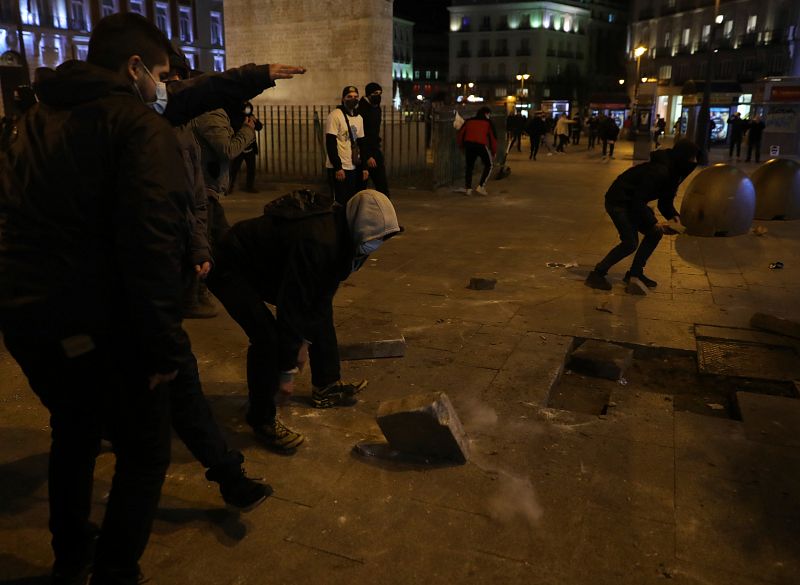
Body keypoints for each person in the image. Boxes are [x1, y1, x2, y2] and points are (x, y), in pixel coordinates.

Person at [0, 13, 191, 584]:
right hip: (101, 323)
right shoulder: (137, 127)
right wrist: (161, 351)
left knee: (75, 430)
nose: (164, 85)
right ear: (135, 68)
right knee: (145, 449)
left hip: (28, 318)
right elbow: (154, 247)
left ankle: (71, 555)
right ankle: (113, 570)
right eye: (160, 73)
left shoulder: (31, 121)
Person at [206, 189, 401, 452]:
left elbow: (320, 295)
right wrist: (287, 371)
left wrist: (305, 341)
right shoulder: (320, 241)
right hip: (231, 266)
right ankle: (262, 420)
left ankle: (325, 383)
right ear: (360, 224)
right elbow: (292, 306)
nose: (375, 245)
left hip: (269, 268)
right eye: (374, 237)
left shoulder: (347, 234)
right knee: (267, 338)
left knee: (320, 312)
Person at [585, 139, 699, 293]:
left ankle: (635, 273)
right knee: (630, 243)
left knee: (654, 234)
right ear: (683, 157)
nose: (695, 161)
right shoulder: (660, 171)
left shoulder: (674, 172)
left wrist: (674, 217)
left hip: (632, 201)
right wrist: (653, 222)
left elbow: (664, 202)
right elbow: (638, 200)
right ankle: (597, 274)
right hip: (618, 200)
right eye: (692, 158)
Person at [325, 86, 370, 205]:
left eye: (356, 97)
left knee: (353, 201)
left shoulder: (359, 118)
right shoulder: (335, 115)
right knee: (340, 201)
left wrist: (364, 167)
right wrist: (338, 167)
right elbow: (330, 143)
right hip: (339, 167)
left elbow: (362, 143)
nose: (353, 99)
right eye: (349, 97)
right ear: (343, 99)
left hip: (353, 166)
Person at [456, 106, 497, 196]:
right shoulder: (487, 123)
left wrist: (461, 146)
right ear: (486, 114)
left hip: (469, 145)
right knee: (489, 165)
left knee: (469, 167)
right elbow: (493, 138)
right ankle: (481, 186)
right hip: (480, 145)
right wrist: (494, 151)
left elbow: (461, 134)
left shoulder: (469, 121)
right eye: (489, 114)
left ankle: (468, 189)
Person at [358, 82, 390, 197]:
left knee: (382, 184)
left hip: (375, 149)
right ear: (368, 94)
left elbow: (374, 133)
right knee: (361, 187)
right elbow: (362, 135)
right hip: (365, 152)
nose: (378, 96)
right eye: (375, 93)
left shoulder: (376, 109)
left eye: (380, 93)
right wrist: (368, 155)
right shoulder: (361, 110)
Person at [229, 101, 261, 193]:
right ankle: (230, 186)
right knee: (234, 169)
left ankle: (249, 186)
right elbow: (235, 127)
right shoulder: (237, 117)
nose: (247, 111)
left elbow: (259, 127)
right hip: (240, 148)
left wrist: (255, 121)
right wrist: (244, 123)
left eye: (248, 109)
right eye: (245, 109)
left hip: (250, 148)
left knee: (251, 169)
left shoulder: (251, 117)